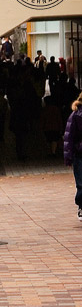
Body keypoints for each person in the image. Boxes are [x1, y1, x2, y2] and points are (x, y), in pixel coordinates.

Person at [64, 92, 82, 222]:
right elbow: (69, 137)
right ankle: (81, 205)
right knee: (81, 184)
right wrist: (68, 156)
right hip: (79, 154)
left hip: (78, 153)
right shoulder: (76, 115)